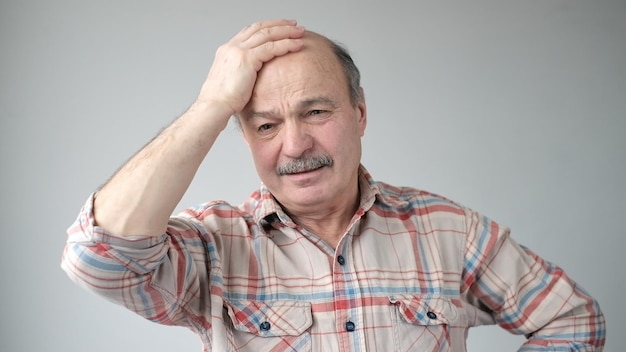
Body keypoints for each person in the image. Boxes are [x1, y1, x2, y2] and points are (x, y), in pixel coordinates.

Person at [61, 19, 606, 351]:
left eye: (316, 111)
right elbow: (100, 259)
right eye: (266, 124)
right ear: (245, 135)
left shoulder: (449, 230)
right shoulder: (212, 246)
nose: (295, 145)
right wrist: (210, 106)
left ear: (360, 113)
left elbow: (572, 319)